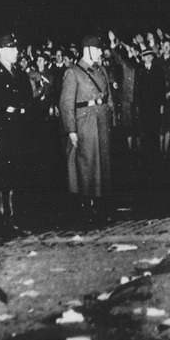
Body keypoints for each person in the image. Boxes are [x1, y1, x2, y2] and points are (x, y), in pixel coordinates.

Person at [59, 34, 116, 227]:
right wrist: (71, 129)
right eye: (97, 48)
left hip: (102, 119)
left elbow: (109, 98)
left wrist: (112, 119)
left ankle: (101, 205)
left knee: (103, 163)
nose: (100, 52)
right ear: (88, 50)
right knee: (87, 163)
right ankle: (87, 206)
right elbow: (66, 104)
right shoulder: (73, 72)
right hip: (85, 122)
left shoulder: (102, 70)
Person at [0, 33, 34, 228]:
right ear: (2, 50)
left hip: (21, 125)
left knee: (20, 169)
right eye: (12, 48)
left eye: (16, 48)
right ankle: (5, 215)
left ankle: (18, 213)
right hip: (2, 127)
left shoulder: (20, 73)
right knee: (4, 172)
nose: (16, 52)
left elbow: (28, 99)